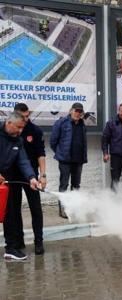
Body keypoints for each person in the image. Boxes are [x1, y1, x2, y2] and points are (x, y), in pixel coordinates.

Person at [0, 112, 39, 260]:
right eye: (18, 127)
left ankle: (10, 248)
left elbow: (23, 161)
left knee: (9, 213)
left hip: (5, 179)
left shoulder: (18, 140)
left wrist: (32, 178)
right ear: (9, 123)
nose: (20, 131)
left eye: (23, 128)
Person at [12, 103, 46, 255]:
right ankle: (19, 241)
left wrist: (42, 175)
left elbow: (41, 153)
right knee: (14, 209)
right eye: (22, 117)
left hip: (31, 175)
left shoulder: (35, 130)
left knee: (36, 209)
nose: (25, 120)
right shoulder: (10, 130)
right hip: (12, 175)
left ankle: (39, 241)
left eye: (27, 116)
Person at [50, 103, 87, 218]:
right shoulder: (61, 123)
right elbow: (53, 141)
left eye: (80, 112)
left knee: (76, 185)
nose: (78, 113)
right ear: (71, 111)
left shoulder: (82, 124)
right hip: (65, 160)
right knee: (64, 185)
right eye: (76, 111)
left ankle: (73, 208)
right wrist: (60, 153)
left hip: (78, 160)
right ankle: (63, 210)